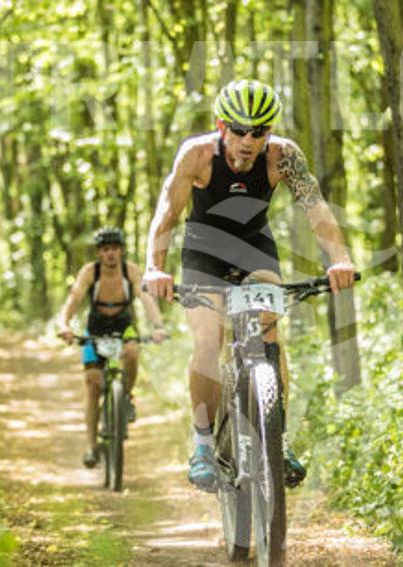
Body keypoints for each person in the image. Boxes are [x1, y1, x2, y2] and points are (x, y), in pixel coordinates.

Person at [143, 79, 356, 492]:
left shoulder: (283, 156)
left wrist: (340, 258)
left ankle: (277, 438)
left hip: (254, 250)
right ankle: (203, 445)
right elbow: (166, 213)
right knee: (208, 340)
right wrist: (155, 267)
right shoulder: (197, 155)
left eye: (258, 131)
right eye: (239, 129)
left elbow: (315, 208)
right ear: (221, 126)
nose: (248, 141)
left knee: (270, 331)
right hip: (203, 252)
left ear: (269, 132)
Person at [58, 226, 168, 468]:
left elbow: (146, 299)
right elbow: (74, 298)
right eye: (106, 249)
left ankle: (125, 397)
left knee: (132, 351)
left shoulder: (131, 271)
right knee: (93, 385)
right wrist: (64, 324)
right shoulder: (90, 272)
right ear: (99, 252)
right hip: (95, 329)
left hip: (123, 325)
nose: (110, 253)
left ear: (121, 251)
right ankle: (91, 447)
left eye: (115, 248)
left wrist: (158, 326)